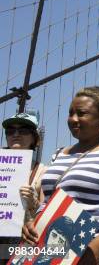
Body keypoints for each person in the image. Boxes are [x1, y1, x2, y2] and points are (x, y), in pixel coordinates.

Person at [21, 86, 99, 264]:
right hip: (49, 248)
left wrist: (96, 247)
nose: (73, 119)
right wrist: (33, 223)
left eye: (82, 113)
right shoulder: (59, 154)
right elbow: (49, 201)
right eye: (70, 113)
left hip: (93, 252)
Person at [1, 111, 46, 265]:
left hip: (22, 244)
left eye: (24, 130)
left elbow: (47, 213)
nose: (16, 134)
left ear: (34, 137)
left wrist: (34, 203)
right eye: (10, 131)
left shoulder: (43, 171)